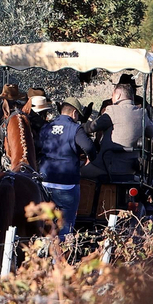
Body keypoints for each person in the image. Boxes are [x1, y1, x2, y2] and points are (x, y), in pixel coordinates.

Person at [37, 99, 96, 237]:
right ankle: (61, 254)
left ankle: (43, 253)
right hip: (66, 184)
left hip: (45, 181)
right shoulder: (75, 128)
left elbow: (38, 147)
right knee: (66, 223)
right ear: (74, 113)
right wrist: (90, 158)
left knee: (45, 223)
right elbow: (89, 147)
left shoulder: (46, 127)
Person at [86, 83, 153, 178]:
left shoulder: (112, 110)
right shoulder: (142, 113)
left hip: (107, 166)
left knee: (78, 171)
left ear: (118, 95)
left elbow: (92, 127)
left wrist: (80, 126)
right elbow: (152, 133)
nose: (111, 98)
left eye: (112, 94)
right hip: (132, 167)